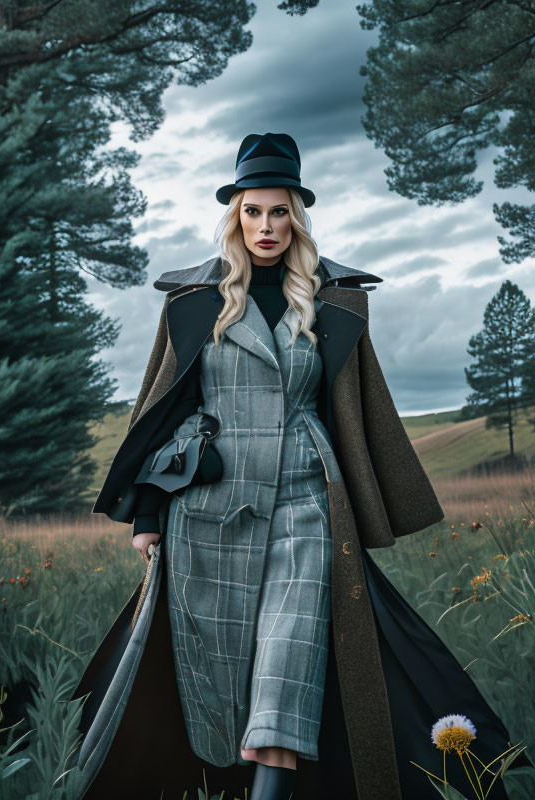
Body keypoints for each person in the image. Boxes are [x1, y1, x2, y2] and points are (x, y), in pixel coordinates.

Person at [80, 132, 529, 800]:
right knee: (215, 681)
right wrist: (148, 514)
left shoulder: (330, 300)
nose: (266, 226)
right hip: (207, 508)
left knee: (287, 673)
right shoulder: (193, 301)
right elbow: (163, 409)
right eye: (253, 211)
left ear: (298, 218)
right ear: (235, 215)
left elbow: (354, 407)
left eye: (280, 211)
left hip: (304, 500)